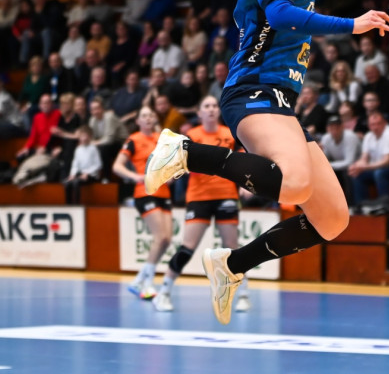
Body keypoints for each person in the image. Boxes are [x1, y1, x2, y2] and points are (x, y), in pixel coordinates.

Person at [141, 0, 389, 325]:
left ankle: (232, 265)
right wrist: (352, 25)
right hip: (255, 87)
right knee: (293, 186)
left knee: (332, 218)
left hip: (278, 97)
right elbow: (278, 14)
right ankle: (183, 152)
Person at [152, 95, 250, 313]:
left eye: (214, 105)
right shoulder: (192, 136)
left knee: (232, 248)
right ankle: (164, 292)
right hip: (198, 197)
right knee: (187, 247)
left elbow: (245, 160)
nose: (211, 109)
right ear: (200, 113)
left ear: (219, 111)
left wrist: (246, 183)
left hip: (226, 195)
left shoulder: (229, 134)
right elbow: (177, 161)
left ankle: (243, 294)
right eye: (207, 106)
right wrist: (169, 174)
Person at [114, 106, 171, 300]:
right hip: (145, 193)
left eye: (150, 115)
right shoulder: (134, 140)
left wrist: (171, 175)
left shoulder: (161, 139)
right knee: (160, 237)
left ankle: (139, 279)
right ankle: (147, 283)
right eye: (144, 116)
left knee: (167, 239)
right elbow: (117, 166)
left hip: (164, 192)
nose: (148, 118)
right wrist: (136, 177)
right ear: (138, 121)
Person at [348, 111, 389, 212]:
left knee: (379, 173)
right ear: (369, 126)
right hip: (376, 167)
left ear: (385, 123)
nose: (375, 127)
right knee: (357, 174)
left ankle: (385, 205)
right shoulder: (369, 136)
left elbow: (387, 161)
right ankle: (361, 206)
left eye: (378, 123)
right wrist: (355, 166)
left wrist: (364, 167)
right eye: (372, 124)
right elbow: (364, 158)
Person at [320, 115, 361, 204]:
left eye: (337, 127)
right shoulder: (326, 138)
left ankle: (351, 205)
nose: (334, 130)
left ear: (342, 127)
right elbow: (324, 160)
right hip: (338, 167)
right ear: (327, 128)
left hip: (356, 166)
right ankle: (330, 204)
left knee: (348, 172)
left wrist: (328, 165)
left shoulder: (350, 137)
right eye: (331, 127)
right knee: (324, 174)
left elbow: (349, 162)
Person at [64, 126, 102, 205]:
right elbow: (75, 164)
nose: (83, 138)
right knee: (67, 183)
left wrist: (87, 173)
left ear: (89, 137)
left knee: (76, 183)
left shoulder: (93, 148)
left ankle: (77, 205)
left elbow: (98, 164)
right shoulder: (78, 149)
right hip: (81, 174)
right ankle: (68, 205)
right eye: (81, 136)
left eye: (85, 136)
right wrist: (72, 174)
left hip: (91, 175)